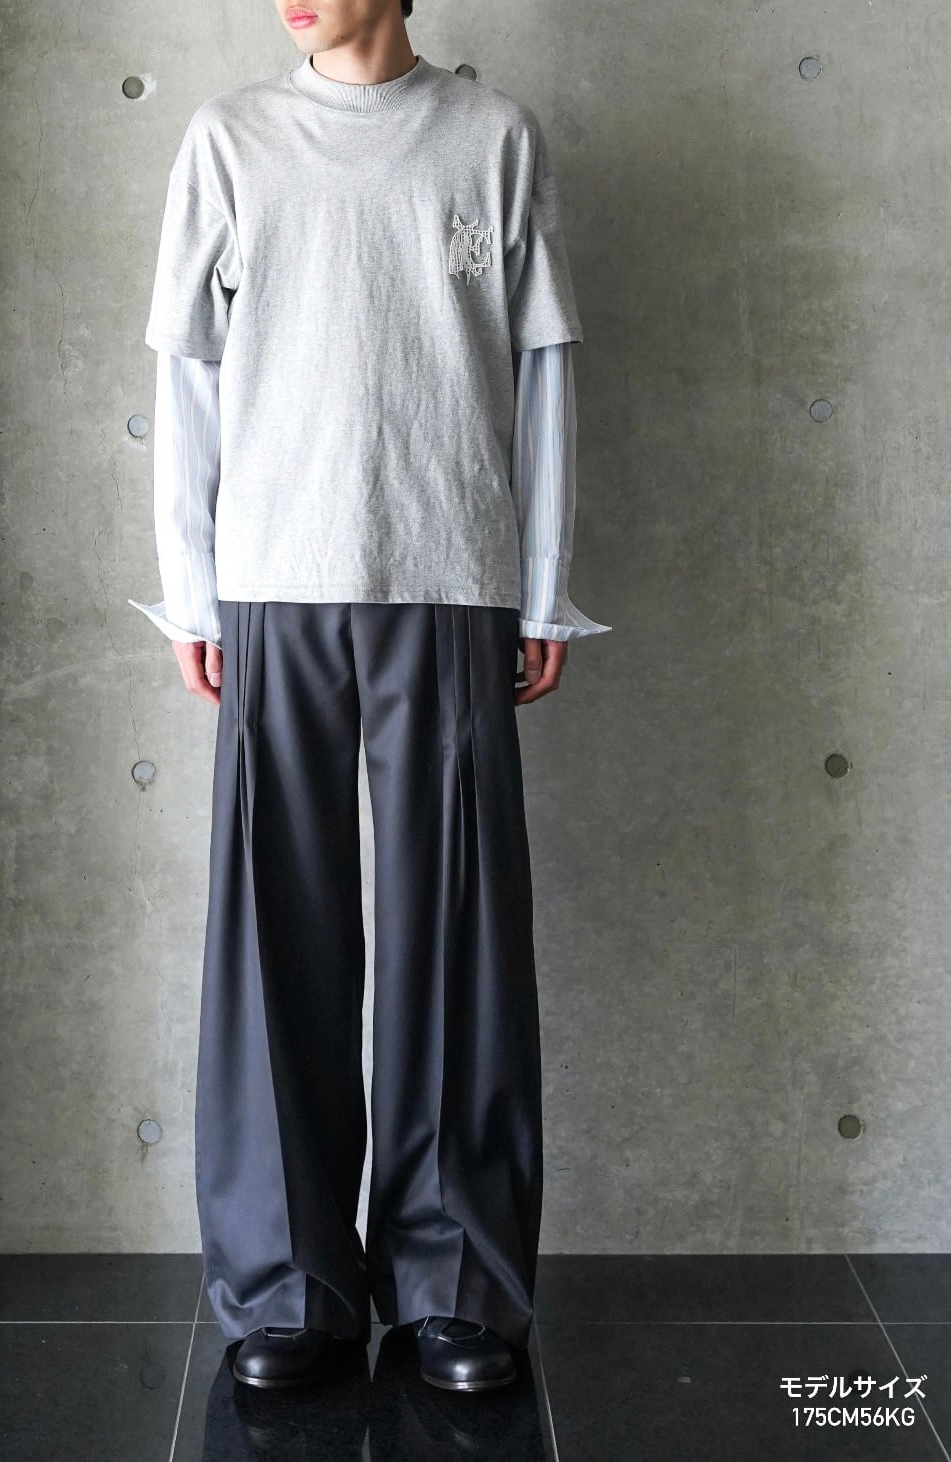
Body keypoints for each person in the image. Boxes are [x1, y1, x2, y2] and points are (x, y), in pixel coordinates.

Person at [128, 0, 611, 1394]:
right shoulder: (229, 139)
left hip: (449, 573)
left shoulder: (491, 138)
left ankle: (452, 1281)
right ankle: (290, 1284)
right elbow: (187, 377)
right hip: (273, 579)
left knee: (454, 927)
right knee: (273, 923)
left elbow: (540, 373)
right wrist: (193, 591)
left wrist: (540, 590)